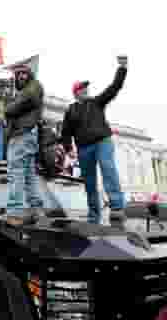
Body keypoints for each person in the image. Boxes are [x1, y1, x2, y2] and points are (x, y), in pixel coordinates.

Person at [61, 56, 128, 226]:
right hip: (84, 149)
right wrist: (69, 148)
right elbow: (65, 132)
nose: (85, 89)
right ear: (76, 93)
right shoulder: (71, 110)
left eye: (86, 87)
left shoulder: (97, 102)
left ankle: (117, 208)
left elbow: (114, 87)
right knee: (89, 181)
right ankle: (93, 215)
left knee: (108, 167)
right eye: (81, 88)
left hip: (102, 142)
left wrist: (122, 68)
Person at [4, 64, 45, 223]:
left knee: (16, 171)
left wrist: (8, 109)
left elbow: (18, 105)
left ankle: (15, 211)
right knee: (28, 173)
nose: (21, 76)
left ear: (30, 75)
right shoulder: (26, 90)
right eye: (18, 74)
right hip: (27, 133)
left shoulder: (33, 87)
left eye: (24, 73)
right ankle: (34, 208)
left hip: (23, 133)